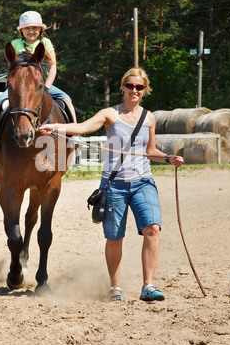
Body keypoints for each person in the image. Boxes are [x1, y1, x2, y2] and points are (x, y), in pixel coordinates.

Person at [39, 67, 184, 302]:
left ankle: (148, 286)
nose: (134, 90)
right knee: (115, 237)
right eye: (130, 86)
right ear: (123, 88)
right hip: (114, 184)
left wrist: (168, 158)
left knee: (153, 229)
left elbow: (150, 152)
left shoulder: (149, 117)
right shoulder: (110, 114)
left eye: (139, 87)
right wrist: (56, 127)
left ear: (145, 90)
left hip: (143, 182)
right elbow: (84, 127)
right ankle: (115, 288)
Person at [0, 11, 77, 149]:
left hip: (41, 84)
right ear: (21, 30)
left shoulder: (46, 42)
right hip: (20, 86)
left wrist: (46, 86)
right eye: (27, 28)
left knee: (66, 99)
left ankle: (74, 135)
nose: (31, 31)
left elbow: (53, 66)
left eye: (34, 28)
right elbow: (11, 69)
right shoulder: (15, 43)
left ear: (40, 29)